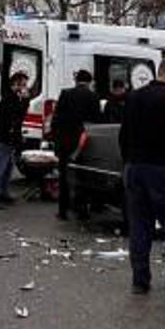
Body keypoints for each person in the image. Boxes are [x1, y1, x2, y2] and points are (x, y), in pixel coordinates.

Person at [119, 58, 165, 300]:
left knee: (140, 226)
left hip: (135, 168)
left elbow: (123, 135)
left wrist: (129, 162)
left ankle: (140, 282)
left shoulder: (134, 97)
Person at [51, 69, 101, 221]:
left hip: (65, 142)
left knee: (64, 177)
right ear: (90, 81)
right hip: (84, 142)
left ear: (76, 80)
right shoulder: (94, 97)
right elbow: (96, 122)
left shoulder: (65, 94)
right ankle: (82, 210)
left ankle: (63, 210)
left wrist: (56, 138)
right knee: (83, 176)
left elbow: (57, 119)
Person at [0, 72, 29, 210]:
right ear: (16, 84)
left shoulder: (14, 98)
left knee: (8, 168)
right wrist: (25, 100)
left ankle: (3, 193)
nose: (25, 88)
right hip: (2, 139)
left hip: (8, 139)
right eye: (23, 85)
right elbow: (16, 116)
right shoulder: (10, 98)